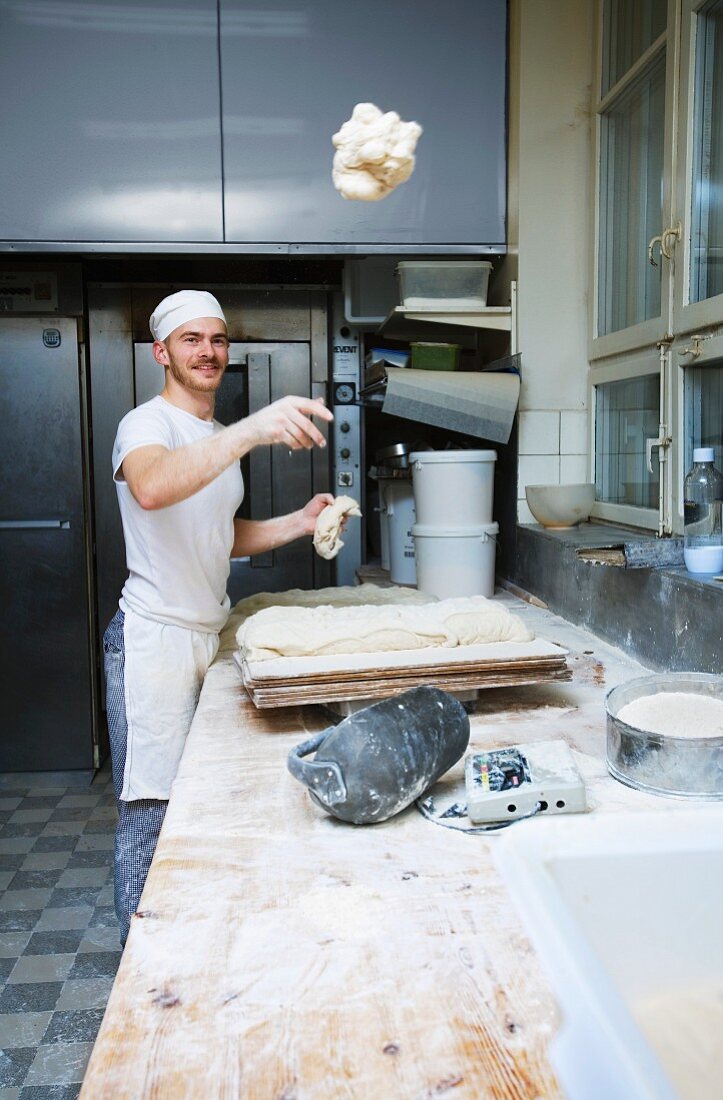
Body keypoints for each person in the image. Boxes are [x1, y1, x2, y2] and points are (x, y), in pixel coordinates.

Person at [102, 289, 334, 945]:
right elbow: (152, 488)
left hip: (206, 636)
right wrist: (254, 429)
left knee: (204, 796)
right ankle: (143, 969)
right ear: (162, 353)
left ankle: (193, 942)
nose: (208, 352)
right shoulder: (145, 425)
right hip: (155, 640)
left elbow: (216, 536)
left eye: (217, 340)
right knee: (151, 809)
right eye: (191, 340)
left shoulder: (208, 437)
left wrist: (297, 523)